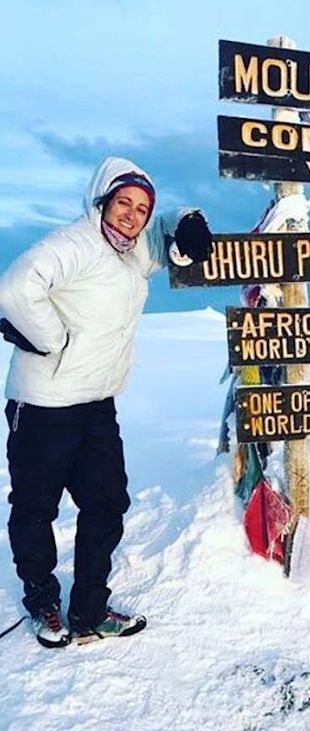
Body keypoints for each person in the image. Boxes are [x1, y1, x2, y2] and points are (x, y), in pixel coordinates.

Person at [0, 156, 213, 648]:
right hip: (44, 404)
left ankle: (89, 609)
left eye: (141, 207)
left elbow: (170, 225)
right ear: (102, 200)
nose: (132, 215)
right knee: (36, 507)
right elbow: (15, 286)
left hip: (96, 404)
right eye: (123, 202)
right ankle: (42, 602)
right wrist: (50, 338)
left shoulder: (134, 251)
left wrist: (188, 222)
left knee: (107, 503)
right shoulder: (73, 243)